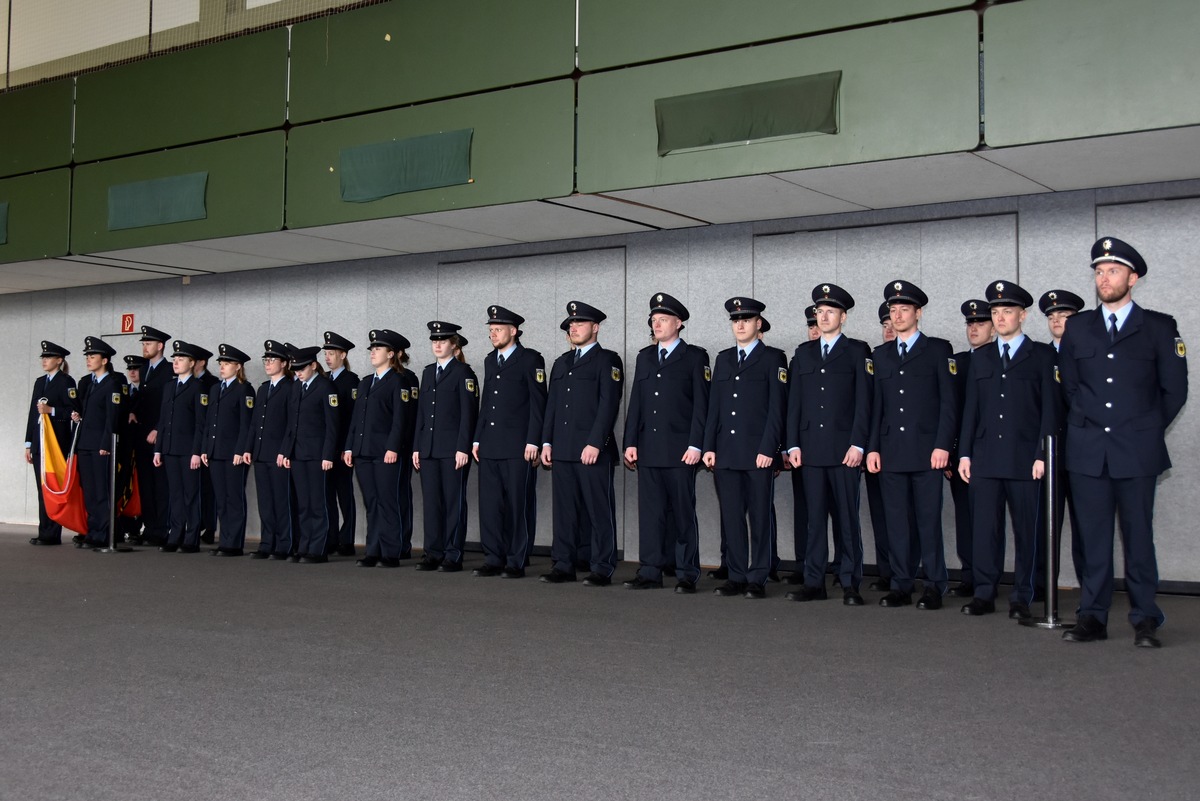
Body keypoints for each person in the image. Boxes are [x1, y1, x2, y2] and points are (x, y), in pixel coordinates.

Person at [1059, 237, 1188, 648]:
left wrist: (1143, 429)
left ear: (1133, 278)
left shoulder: (1159, 327)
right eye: (1099, 271)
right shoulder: (1079, 327)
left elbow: (1174, 391)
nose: (1104, 278)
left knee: (1138, 536)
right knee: (1092, 538)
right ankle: (1092, 617)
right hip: (1088, 451)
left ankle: (1145, 617)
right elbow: (1071, 387)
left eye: (1113, 271)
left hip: (1137, 450)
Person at [957, 281, 1058, 620]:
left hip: (1025, 459)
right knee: (985, 529)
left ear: (1023, 315)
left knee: (1027, 531)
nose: (1000, 318)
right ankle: (984, 593)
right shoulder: (982, 357)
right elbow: (971, 408)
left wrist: (1043, 453)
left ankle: (1023, 596)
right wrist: (966, 454)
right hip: (985, 457)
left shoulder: (1042, 355)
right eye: (995, 312)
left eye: (1007, 311)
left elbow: (1050, 410)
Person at [867, 281, 958, 609]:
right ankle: (901, 583)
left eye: (904, 309)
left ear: (918, 313)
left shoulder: (937, 350)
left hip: (927, 452)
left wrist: (943, 445)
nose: (898, 316)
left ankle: (935, 583)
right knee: (896, 520)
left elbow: (949, 404)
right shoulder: (881, 355)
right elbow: (877, 406)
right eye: (893, 311)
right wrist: (873, 447)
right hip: (891, 451)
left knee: (927, 518)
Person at [783, 284, 872, 606]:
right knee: (814, 519)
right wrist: (792, 444)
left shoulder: (857, 352)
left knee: (847, 519)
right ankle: (814, 581)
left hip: (844, 451)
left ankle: (850, 582)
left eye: (830, 312)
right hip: (810, 450)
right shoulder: (803, 354)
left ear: (843, 317)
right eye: (819, 312)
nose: (823, 316)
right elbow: (793, 404)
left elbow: (864, 403)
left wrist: (858, 445)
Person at [622, 293, 710, 593]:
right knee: (651, 514)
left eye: (663, 319)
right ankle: (650, 570)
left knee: (683, 513)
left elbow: (701, 406)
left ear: (678, 322)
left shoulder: (695, 357)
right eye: (653, 320)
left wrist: (696, 445)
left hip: (680, 450)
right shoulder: (645, 357)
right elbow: (637, 402)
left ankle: (686, 572)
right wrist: (630, 440)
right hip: (649, 448)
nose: (656, 324)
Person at [703, 297, 787, 599]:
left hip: (758, 454)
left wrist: (769, 449)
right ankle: (736, 574)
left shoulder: (773, 358)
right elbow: (715, 408)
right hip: (726, 451)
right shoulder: (723, 359)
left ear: (758, 324)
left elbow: (777, 410)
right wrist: (709, 446)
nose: (740, 324)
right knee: (732, 516)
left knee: (760, 517)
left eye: (746, 320)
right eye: (736, 320)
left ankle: (759, 575)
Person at [540, 301, 624, 586]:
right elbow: (551, 406)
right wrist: (546, 441)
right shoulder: (561, 363)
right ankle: (563, 564)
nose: (574, 328)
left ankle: (601, 566)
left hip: (592, 450)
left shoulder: (607, 360)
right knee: (564, 511)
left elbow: (608, 405)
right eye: (570, 325)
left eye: (580, 323)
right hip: (562, 448)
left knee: (598, 510)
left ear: (595, 327)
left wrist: (595, 443)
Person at [471, 306, 546, 579]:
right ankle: (493, 557)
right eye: (490, 330)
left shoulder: (530, 359)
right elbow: (486, 403)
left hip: (518, 446)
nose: (493, 334)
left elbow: (539, 405)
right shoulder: (491, 361)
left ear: (513, 331)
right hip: (490, 444)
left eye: (498, 330)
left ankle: (516, 559)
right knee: (490, 505)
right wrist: (477, 438)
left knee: (518, 504)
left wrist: (534, 441)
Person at [343, 329, 415, 568]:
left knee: (388, 501)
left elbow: (400, 420)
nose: (373, 353)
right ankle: (373, 550)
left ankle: (391, 552)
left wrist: (393, 447)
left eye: (378, 349)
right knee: (371, 502)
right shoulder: (365, 383)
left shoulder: (399, 382)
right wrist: (350, 447)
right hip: (364, 451)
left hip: (385, 452)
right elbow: (356, 420)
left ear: (391, 354)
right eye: (372, 349)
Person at [412, 322, 479, 572]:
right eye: (434, 341)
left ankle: (453, 553)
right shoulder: (428, 372)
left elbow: (468, 414)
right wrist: (417, 446)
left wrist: (462, 447)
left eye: (443, 341)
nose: (437, 345)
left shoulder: (464, 373)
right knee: (432, 503)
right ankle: (433, 551)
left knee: (453, 502)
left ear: (455, 346)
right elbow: (422, 414)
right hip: (429, 449)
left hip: (452, 451)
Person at [1035, 288, 1087, 591]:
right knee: (1046, 526)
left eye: (1064, 316)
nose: (1057, 321)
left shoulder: (1086, 354)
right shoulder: (1040, 356)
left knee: (1085, 527)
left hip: (1082, 454)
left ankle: (1089, 589)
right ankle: (1043, 589)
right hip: (1047, 455)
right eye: (1052, 316)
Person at [947, 299, 994, 597]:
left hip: (993, 453)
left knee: (991, 522)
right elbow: (950, 412)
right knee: (965, 518)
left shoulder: (1002, 360)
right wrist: (953, 454)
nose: (974, 328)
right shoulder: (958, 363)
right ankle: (969, 576)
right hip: (961, 456)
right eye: (970, 323)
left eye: (981, 323)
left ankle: (991, 578)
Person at [281, 346, 339, 564]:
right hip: (298, 453)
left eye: (301, 368)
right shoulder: (296, 387)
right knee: (303, 503)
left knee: (318, 503)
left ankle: (318, 548)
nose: (297, 372)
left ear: (313, 365)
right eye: (295, 368)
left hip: (317, 455)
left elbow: (332, 426)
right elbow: (291, 424)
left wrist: (327, 455)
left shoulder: (325, 387)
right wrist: (286, 451)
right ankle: (304, 545)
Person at [68, 337, 126, 549]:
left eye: (92, 356)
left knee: (102, 491)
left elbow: (112, 418)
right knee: (90, 491)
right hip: (86, 443)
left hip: (100, 445)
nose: (88, 360)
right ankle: (93, 531)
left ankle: (104, 534)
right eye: (87, 356)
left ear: (105, 360)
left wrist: (105, 444)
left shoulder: (112, 384)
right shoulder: (90, 384)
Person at [201, 344, 256, 557]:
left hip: (234, 453)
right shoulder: (216, 389)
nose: (222, 367)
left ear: (238, 366)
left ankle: (234, 543)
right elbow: (209, 423)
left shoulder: (244, 389)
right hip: (215, 452)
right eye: (221, 363)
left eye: (227, 363)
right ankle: (225, 540)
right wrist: (206, 448)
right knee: (221, 498)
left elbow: (246, 424)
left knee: (234, 498)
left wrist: (241, 450)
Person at [245, 340, 295, 560]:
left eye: (272, 359)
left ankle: (285, 544)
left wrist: (285, 451)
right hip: (261, 453)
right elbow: (255, 423)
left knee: (282, 500)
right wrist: (249, 448)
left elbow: (291, 425)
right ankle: (267, 542)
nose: (267, 363)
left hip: (278, 454)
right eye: (266, 359)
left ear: (284, 363)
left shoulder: (291, 388)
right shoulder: (263, 388)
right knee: (265, 501)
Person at [153, 340, 204, 552]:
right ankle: (175, 535)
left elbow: (201, 424)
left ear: (191, 363)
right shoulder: (169, 387)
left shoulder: (198, 388)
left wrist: (196, 452)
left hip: (188, 450)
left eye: (181, 359)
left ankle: (191, 538)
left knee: (190, 494)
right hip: (170, 448)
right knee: (174, 494)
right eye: (174, 358)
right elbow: (163, 420)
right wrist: (158, 448)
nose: (176, 362)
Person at [25, 341, 76, 546]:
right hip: (39, 442)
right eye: (43, 357)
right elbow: (32, 413)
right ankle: (44, 530)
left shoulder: (66, 381)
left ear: (59, 360)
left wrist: (52, 411)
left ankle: (53, 532)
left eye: (48, 357)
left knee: (54, 487)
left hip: (56, 443)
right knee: (41, 488)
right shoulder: (40, 382)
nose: (44, 360)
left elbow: (74, 411)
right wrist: (28, 443)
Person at [322, 331, 359, 556]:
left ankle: (347, 539)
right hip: (326, 447)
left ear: (343, 355)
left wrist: (349, 446)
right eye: (326, 353)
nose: (327, 357)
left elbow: (353, 418)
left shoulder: (351, 381)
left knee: (344, 494)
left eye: (332, 353)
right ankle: (331, 537)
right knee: (326, 495)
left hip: (343, 447)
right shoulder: (323, 380)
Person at [137, 326, 173, 545]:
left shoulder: (169, 370)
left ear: (160, 346)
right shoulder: (143, 369)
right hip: (142, 434)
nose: (145, 347)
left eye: (148, 343)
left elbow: (169, 405)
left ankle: (161, 528)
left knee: (161, 485)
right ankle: (149, 528)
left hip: (160, 434)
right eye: (143, 343)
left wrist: (159, 428)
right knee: (146, 484)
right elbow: (143, 398)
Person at [192, 346, 219, 545]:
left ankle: (209, 527)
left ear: (201, 362)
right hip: (190, 442)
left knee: (209, 488)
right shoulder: (186, 383)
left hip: (207, 441)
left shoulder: (211, 384)